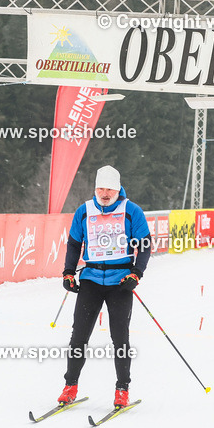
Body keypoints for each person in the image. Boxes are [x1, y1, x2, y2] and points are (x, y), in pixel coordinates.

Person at [58, 165, 152, 409]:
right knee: (79, 336)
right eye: (101, 188)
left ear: (118, 188)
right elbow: (73, 243)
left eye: (110, 188)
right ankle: (70, 386)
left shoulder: (131, 211)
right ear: (95, 188)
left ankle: (122, 389)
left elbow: (145, 244)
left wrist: (136, 273)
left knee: (120, 337)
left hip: (120, 281)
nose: (105, 193)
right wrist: (69, 273)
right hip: (90, 279)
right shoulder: (84, 211)